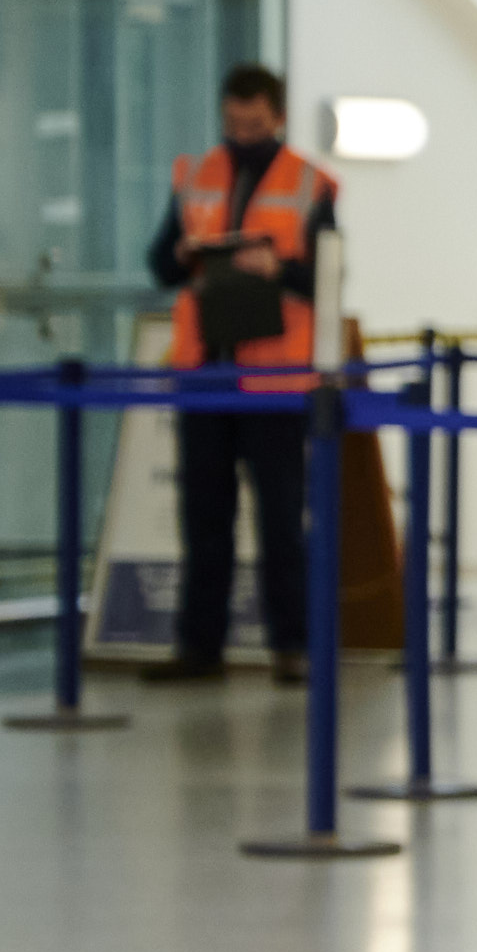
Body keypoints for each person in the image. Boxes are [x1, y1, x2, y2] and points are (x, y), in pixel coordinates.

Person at [143, 62, 335, 684]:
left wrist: (275, 266)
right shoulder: (198, 175)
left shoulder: (311, 184)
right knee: (204, 519)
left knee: (281, 521)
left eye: (254, 124)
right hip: (205, 374)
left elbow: (326, 281)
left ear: (277, 118)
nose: (241, 134)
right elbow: (161, 266)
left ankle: (293, 648)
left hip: (275, 382)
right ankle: (199, 649)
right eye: (232, 123)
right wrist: (179, 255)